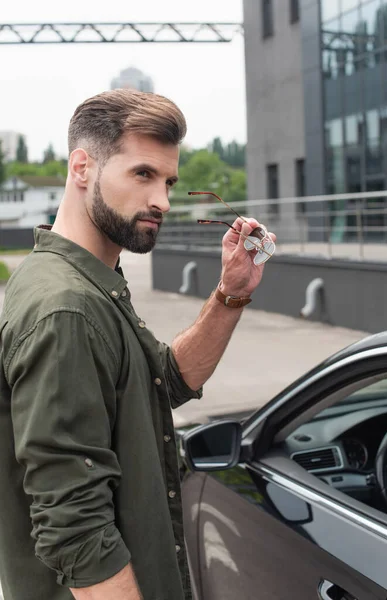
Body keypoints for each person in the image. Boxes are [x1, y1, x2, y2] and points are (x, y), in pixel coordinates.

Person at [0, 89, 275, 600]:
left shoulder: (90, 283)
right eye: (143, 174)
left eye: (168, 181)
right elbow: (77, 529)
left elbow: (161, 383)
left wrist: (231, 294)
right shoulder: (66, 308)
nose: (163, 201)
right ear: (82, 167)